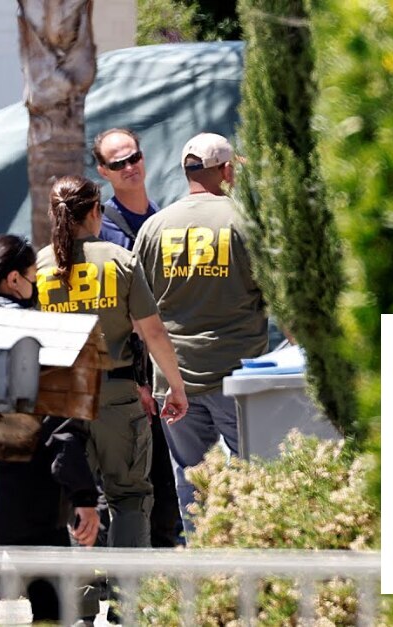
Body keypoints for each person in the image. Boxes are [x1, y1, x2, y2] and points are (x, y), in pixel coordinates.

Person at [36, 174, 189, 550]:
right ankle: (126, 587)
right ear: (94, 211)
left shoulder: (38, 266)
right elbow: (153, 332)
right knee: (130, 496)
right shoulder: (120, 260)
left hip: (61, 397)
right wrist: (174, 387)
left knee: (72, 492)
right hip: (116, 395)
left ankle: (82, 583)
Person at [0, 234, 101, 620]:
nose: (36, 286)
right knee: (51, 607)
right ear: (13, 280)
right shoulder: (40, 333)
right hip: (31, 496)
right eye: (34, 276)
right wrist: (84, 496)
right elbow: (60, 427)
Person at [133, 133, 269, 538]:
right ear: (226, 170)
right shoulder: (245, 221)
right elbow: (278, 293)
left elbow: (138, 312)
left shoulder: (154, 227)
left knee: (193, 484)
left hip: (175, 380)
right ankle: (253, 561)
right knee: (255, 479)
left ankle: (206, 564)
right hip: (238, 376)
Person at [93, 127, 182, 548]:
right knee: (137, 482)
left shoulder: (163, 220)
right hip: (133, 376)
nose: (130, 167)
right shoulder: (103, 231)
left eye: (134, 157)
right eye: (118, 163)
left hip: (170, 364)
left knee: (171, 482)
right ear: (102, 171)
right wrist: (138, 380)